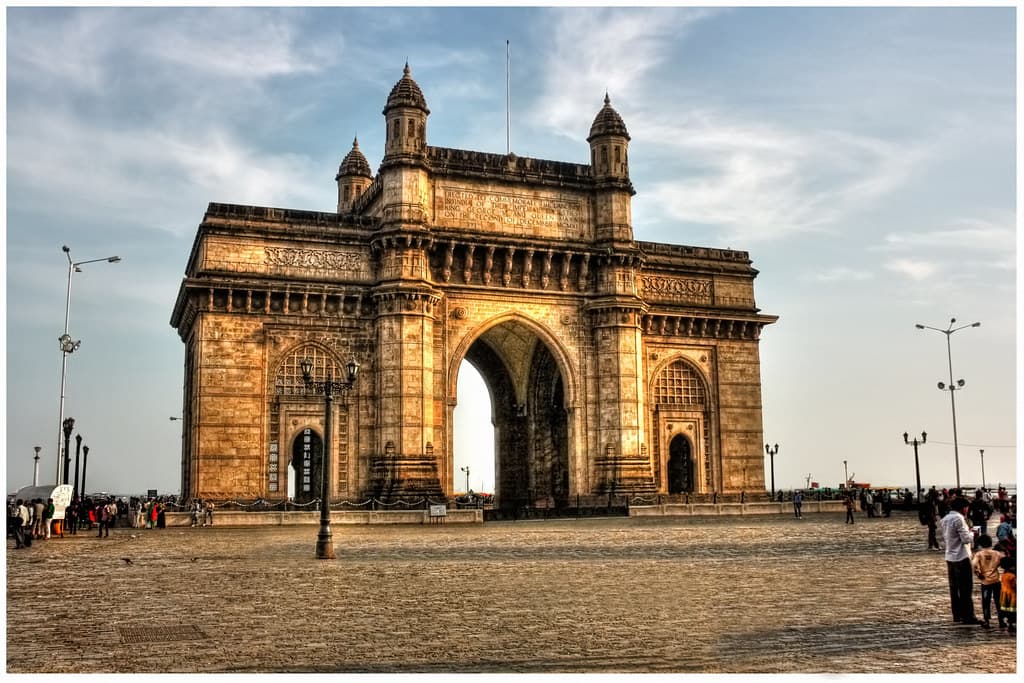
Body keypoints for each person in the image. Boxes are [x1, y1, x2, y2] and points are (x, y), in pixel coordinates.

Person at [940, 496, 982, 625]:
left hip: (950, 556)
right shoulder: (959, 518)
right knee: (965, 588)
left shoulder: (945, 519)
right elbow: (966, 539)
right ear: (964, 508)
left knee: (954, 588)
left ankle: (957, 614)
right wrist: (973, 533)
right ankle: (968, 616)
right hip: (962, 556)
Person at [972, 534, 1003, 628]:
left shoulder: (979, 554)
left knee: (986, 602)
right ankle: (1001, 621)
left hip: (985, 582)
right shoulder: (997, 553)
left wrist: (978, 574)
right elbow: (1004, 562)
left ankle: (987, 621)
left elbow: (974, 565)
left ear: (980, 544)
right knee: (998, 601)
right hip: (996, 580)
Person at [997, 556, 1016, 633]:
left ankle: (1010, 624)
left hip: (1005, 596)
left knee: (1009, 612)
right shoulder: (1012, 576)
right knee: (1014, 611)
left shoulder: (1004, 575)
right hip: (1013, 596)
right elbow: (1015, 585)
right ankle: (1012, 625)